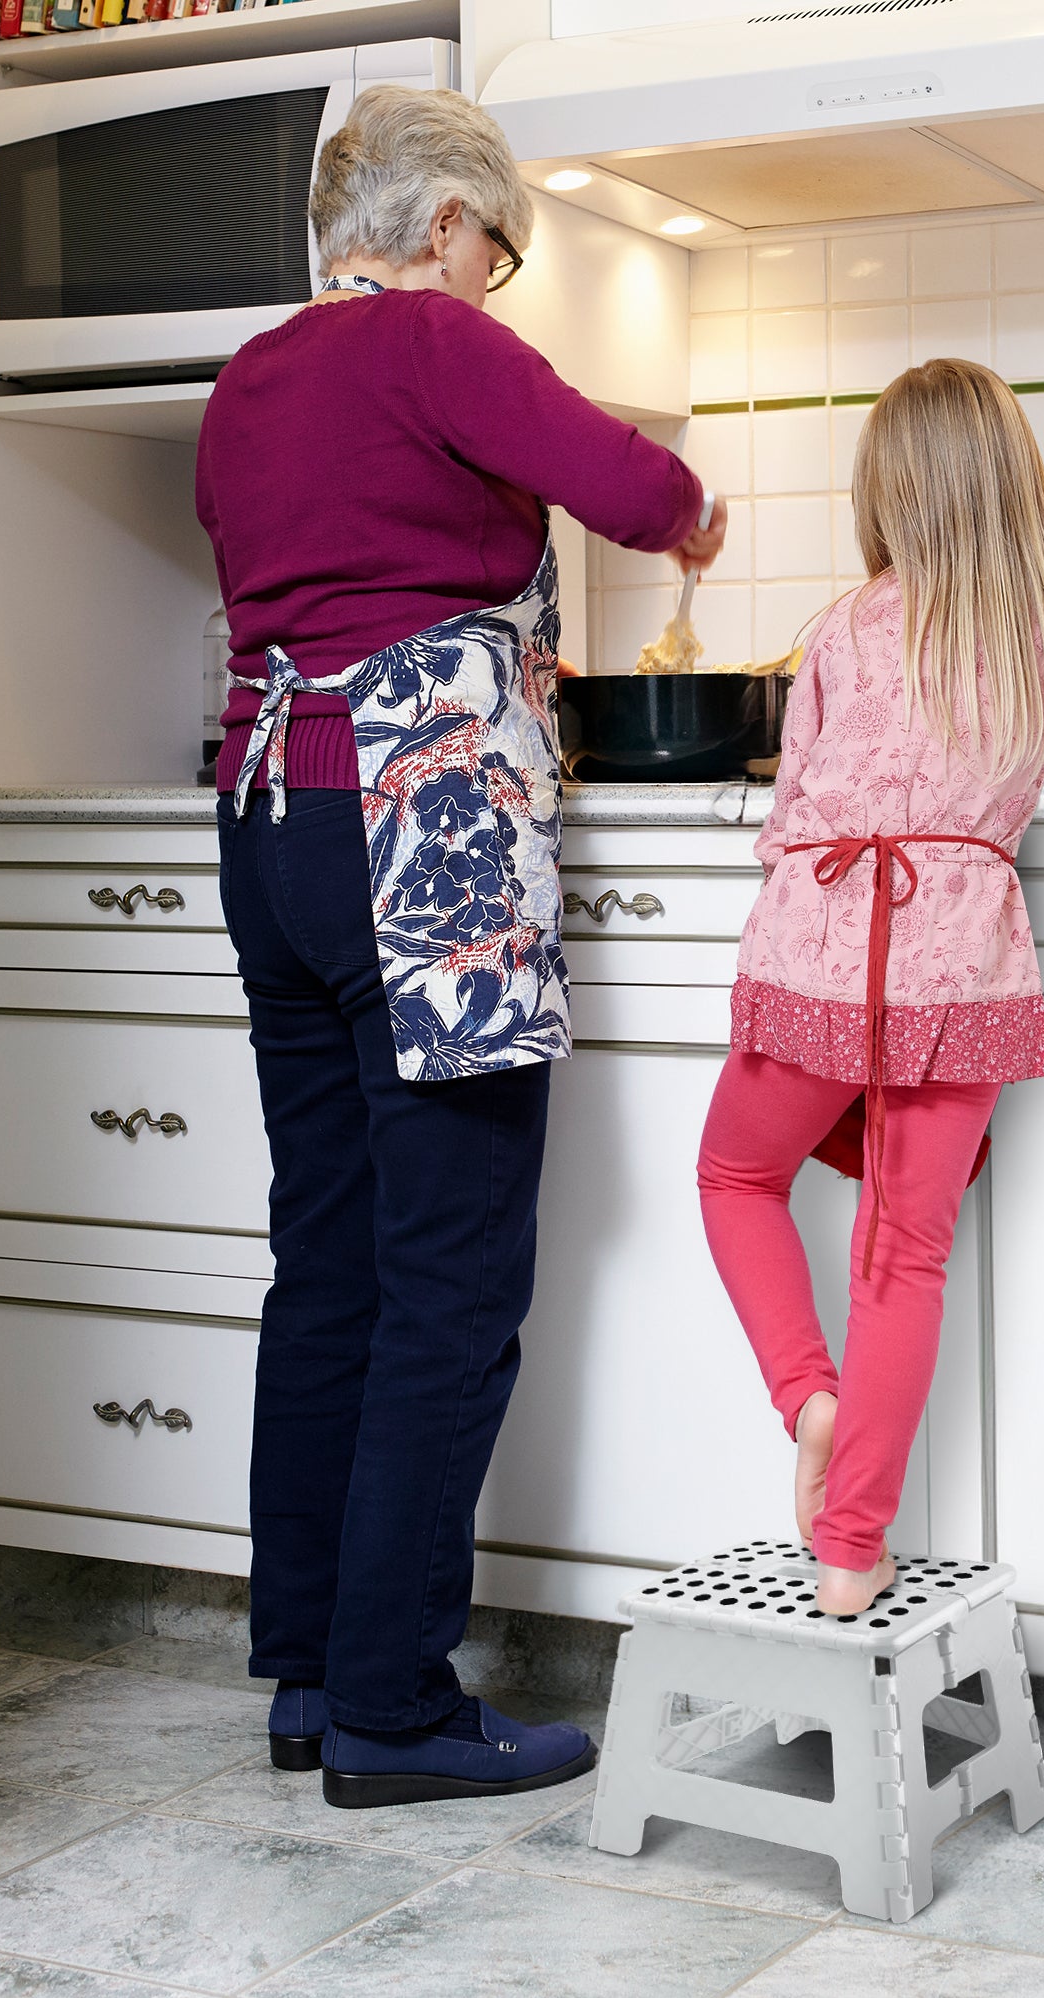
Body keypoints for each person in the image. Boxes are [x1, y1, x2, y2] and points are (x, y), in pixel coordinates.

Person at [195, 84, 726, 1807]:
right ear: (444, 230)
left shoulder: (252, 376)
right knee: (453, 1273)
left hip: (272, 822)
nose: (495, 290)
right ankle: (396, 1713)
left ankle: (307, 1678)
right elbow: (637, 486)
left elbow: (338, 573)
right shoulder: (431, 340)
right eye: (499, 257)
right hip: (414, 830)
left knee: (331, 1259)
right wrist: (701, 523)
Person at [696, 359, 1044, 1618]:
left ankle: (806, 1398)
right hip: (958, 960)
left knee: (733, 1174)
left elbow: (793, 805)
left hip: (820, 946)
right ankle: (850, 1554)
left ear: (885, 490)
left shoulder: (837, 626)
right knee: (903, 1253)